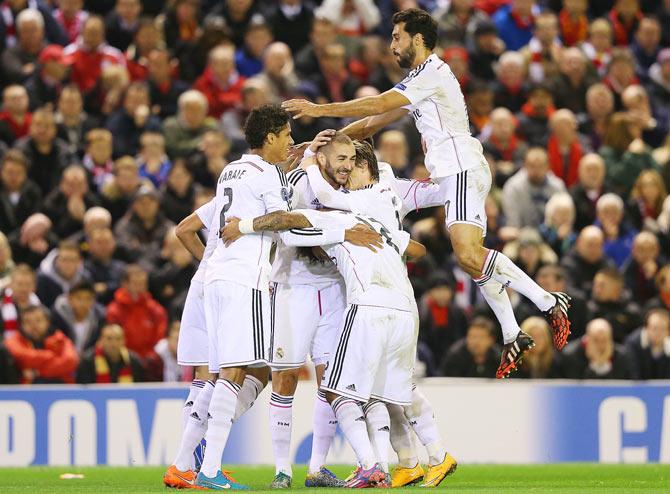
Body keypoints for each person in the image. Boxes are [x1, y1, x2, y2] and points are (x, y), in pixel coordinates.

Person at [282, 8, 572, 379]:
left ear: (417, 40)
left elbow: (377, 104)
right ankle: (512, 331)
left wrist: (318, 109)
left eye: (397, 37)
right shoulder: (421, 82)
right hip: (450, 176)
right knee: (469, 259)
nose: (392, 45)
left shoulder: (431, 72)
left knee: (467, 253)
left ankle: (548, 301)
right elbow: (373, 122)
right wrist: (320, 144)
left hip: (460, 168)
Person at [5, 304, 79, 384]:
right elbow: (19, 355)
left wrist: (37, 372)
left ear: (47, 321)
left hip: (60, 389)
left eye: (38, 320)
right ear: (21, 325)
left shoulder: (60, 339)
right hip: (24, 391)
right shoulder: (14, 339)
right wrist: (48, 356)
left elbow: (70, 361)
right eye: (27, 322)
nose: (34, 326)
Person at [106, 263, 166, 358]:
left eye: (143, 283)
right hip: (124, 358)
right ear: (125, 284)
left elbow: (159, 337)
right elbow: (113, 340)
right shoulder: (114, 311)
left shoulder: (155, 310)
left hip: (149, 359)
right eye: (136, 283)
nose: (140, 288)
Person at [563, 318, 633, 379]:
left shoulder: (621, 355)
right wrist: (594, 366)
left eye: (604, 340)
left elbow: (619, 384)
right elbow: (575, 385)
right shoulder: (571, 355)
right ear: (587, 339)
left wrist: (604, 365)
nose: (600, 345)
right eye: (596, 340)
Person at [76, 322, 144, 383]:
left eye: (118, 339)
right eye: (109, 339)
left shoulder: (134, 362)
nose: (114, 344)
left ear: (124, 341)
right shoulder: (88, 361)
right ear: (101, 340)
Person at [36, 241, 90, 308]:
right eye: (64, 260)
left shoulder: (85, 279)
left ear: (79, 262)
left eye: (72, 260)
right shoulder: (42, 280)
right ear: (57, 260)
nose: (68, 264)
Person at [0, 149, 42, 235]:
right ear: (2, 172)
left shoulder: (33, 192)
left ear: (25, 174)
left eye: (19, 173)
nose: (14, 177)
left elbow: (34, 221)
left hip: (25, 239)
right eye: (10, 172)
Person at [625, 308, 670, 380]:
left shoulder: (668, 346)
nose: (658, 333)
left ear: (668, 331)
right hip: (639, 388)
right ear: (646, 328)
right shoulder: (633, 344)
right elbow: (634, 375)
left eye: (663, 329)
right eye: (655, 328)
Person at [0, 264, 39, 340]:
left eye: (28, 284)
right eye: (19, 284)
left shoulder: (41, 310)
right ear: (11, 285)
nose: (24, 289)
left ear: (34, 287)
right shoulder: (1, 308)